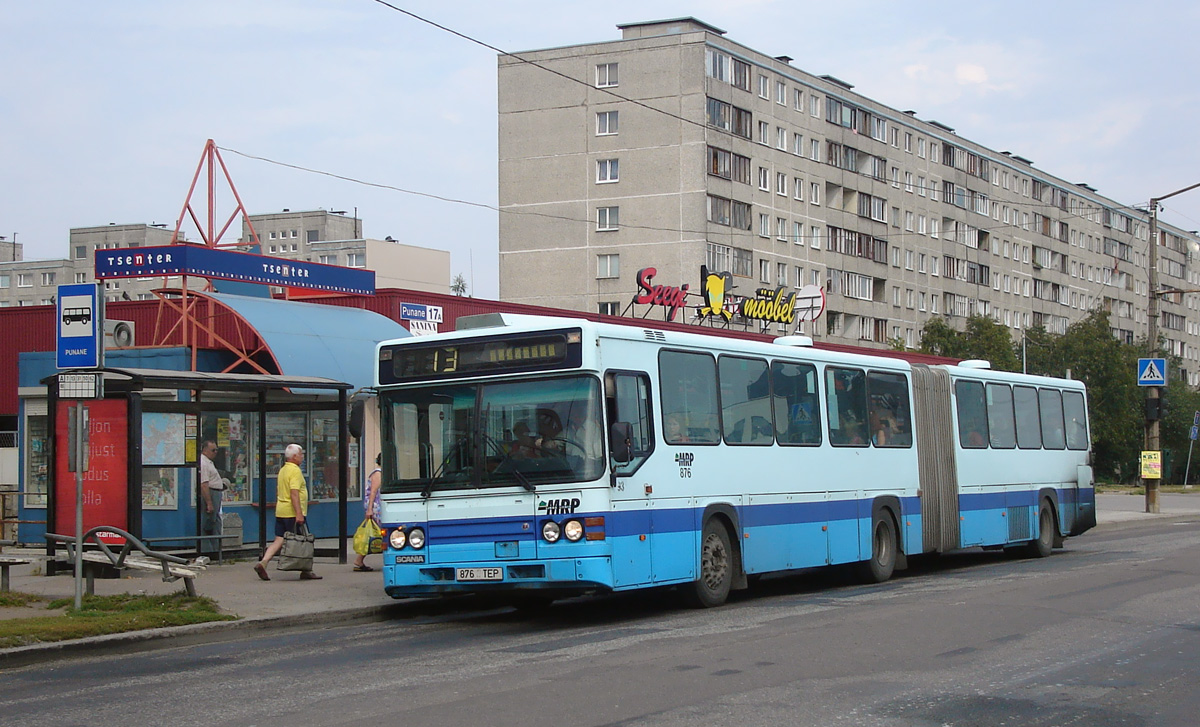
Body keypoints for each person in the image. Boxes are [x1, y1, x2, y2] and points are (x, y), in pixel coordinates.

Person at [254, 443, 321, 581]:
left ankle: (263, 562)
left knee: (279, 539)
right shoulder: (295, 471)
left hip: (281, 510)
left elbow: (279, 490)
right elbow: (294, 493)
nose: (302, 457)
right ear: (295, 456)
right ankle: (306, 570)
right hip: (292, 512)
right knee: (304, 542)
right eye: (301, 454)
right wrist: (299, 513)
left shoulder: (283, 470)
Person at [198, 440, 229, 554]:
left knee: (215, 522)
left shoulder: (209, 462)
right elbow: (204, 484)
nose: (215, 452)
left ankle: (216, 550)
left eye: (217, 450)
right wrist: (209, 502)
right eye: (213, 450)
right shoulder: (203, 462)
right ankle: (208, 551)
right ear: (205, 450)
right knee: (208, 522)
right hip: (211, 493)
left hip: (215, 492)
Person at [353, 454, 382, 572]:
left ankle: (359, 560)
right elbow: (373, 492)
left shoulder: (378, 473)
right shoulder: (378, 474)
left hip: (376, 507)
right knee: (377, 532)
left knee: (377, 533)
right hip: (376, 508)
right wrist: (370, 509)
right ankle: (359, 559)